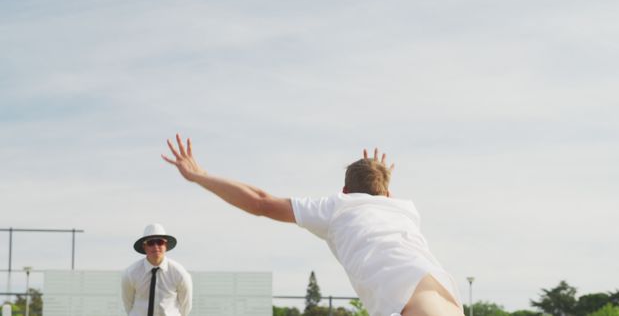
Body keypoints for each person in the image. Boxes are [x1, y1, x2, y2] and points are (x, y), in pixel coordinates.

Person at [162, 134, 463, 316]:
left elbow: (261, 202)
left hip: (409, 305)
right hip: (447, 299)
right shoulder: (405, 210)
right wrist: (381, 176)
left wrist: (199, 176)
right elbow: (382, 197)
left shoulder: (336, 207)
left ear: (344, 191)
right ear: (386, 193)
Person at [122, 223, 193, 316]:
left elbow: (185, 307)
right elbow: (128, 305)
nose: (156, 247)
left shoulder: (179, 273)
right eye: (151, 243)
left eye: (159, 242)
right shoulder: (130, 273)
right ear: (144, 247)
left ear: (165, 245)